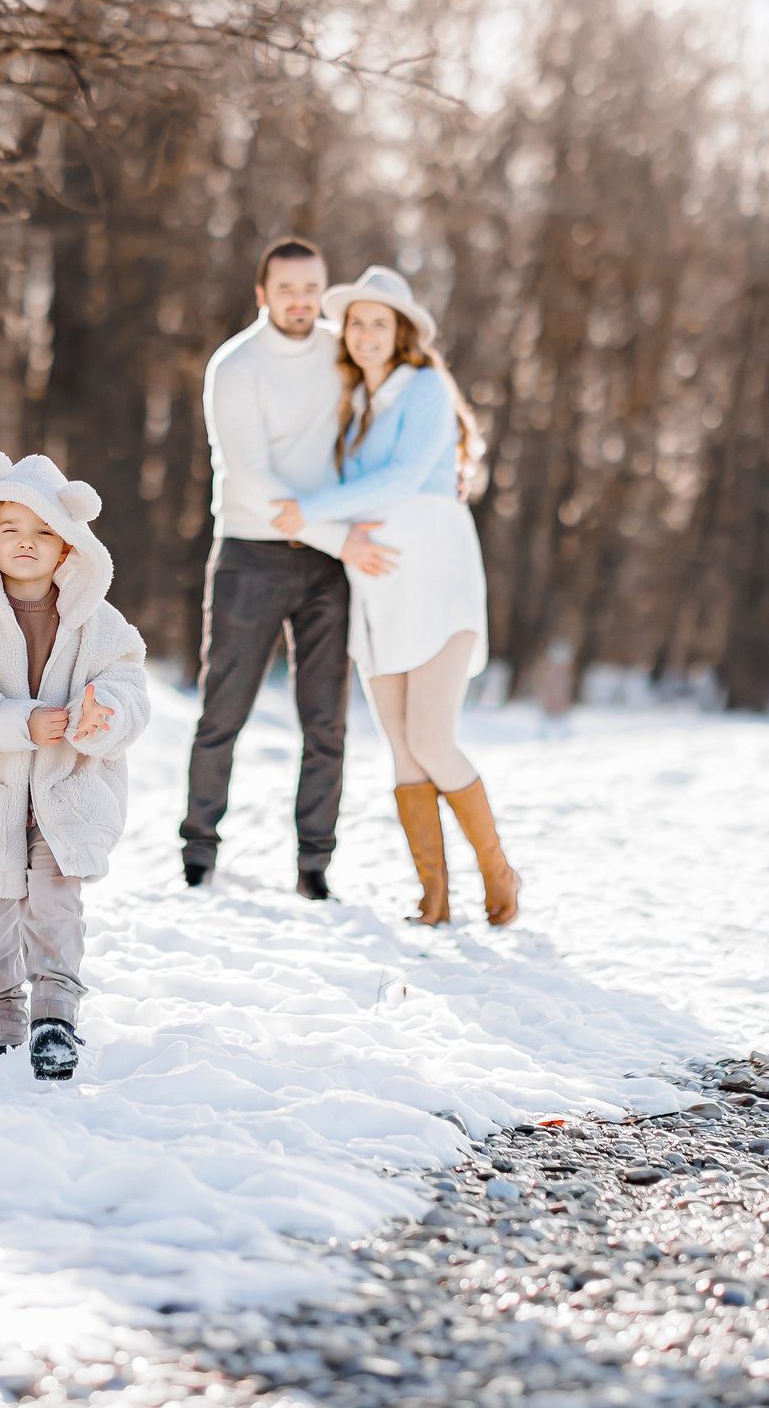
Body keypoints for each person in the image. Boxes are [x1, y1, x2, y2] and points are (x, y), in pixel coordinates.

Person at [269, 264, 522, 928]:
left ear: (402, 331)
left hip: (436, 578)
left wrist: (312, 508)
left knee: (434, 740)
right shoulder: (354, 406)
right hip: (379, 594)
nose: (366, 333)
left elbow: (404, 477)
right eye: (356, 322)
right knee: (404, 750)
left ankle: (499, 872)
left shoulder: (427, 388)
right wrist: (322, 526)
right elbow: (356, 509)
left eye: (380, 322)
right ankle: (433, 898)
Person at [0, 451, 152, 1080]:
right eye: (11, 528)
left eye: (44, 532)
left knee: (55, 906)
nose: (27, 543)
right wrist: (15, 721)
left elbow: (127, 686)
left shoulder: (98, 621)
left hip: (68, 790)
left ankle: (55, 1021)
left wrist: (107, 717)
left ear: (70, 546)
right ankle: (1, 1023)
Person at [181, 238, 388, 900]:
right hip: (251, 554)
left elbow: (383, 433)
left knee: (326, 719)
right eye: (286, 288)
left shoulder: (344, 351)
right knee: (225, 709)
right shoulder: (235, 366)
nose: (300, 300)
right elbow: (255, 481)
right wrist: (341, 537)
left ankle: (314, 866)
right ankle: (198, 851)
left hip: (329, 563)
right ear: (262, 293)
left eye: (311, 287)